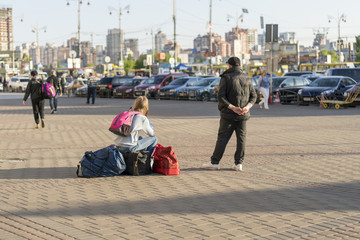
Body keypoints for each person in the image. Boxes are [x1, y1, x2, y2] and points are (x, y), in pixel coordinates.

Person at [202, 57, 256, 171]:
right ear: (240, 65)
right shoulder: (247, 77)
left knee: (222, 138)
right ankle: (238, 164)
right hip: (243, 114)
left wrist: (232, 108)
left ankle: (214, 163)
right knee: (241, 139)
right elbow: (254, 96)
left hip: (228, 114)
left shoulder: (226, 77)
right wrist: (246, 107)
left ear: (230, 65)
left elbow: (221, 96)